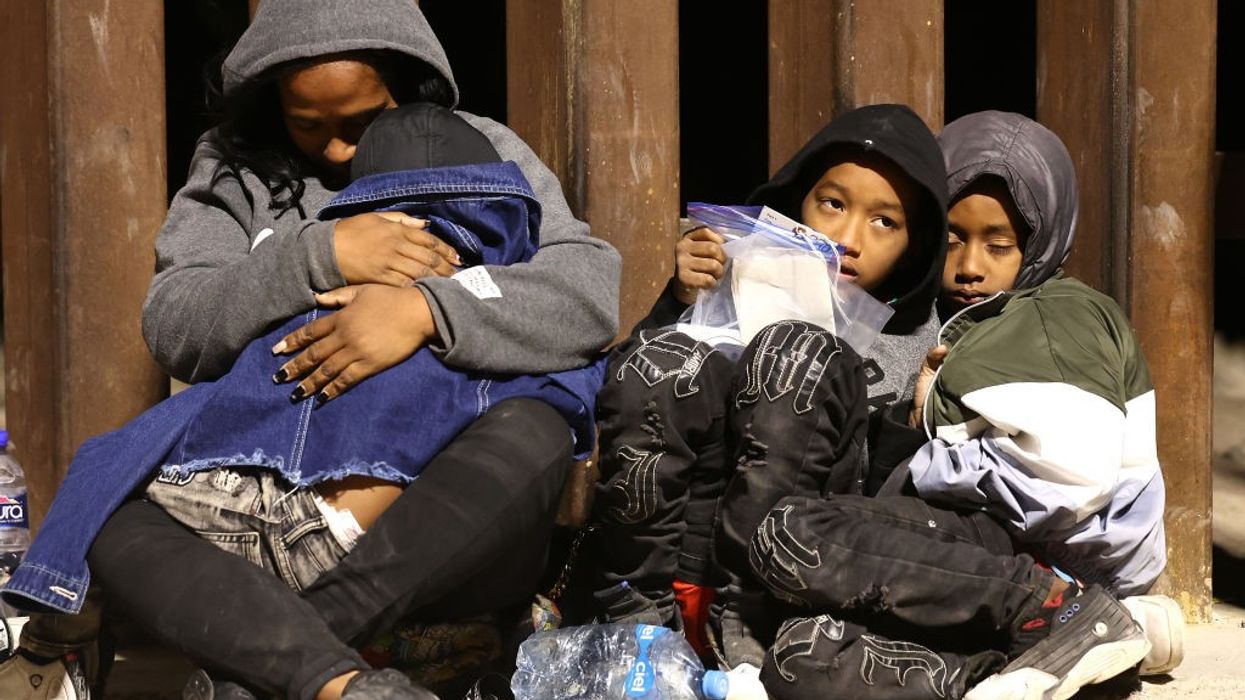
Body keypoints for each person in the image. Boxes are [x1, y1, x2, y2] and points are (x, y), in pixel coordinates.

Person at [0, 2, 619, 699]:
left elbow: (587, 290)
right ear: (272, 108)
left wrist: (425, 310)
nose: (337, 151)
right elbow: (175, 323)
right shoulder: (235, 174)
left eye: (363, 123)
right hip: (260, 506)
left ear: (406, 89)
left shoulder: (477, 148)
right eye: (309, 126)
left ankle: (284, 667)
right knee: (106, 509)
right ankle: (343, 685)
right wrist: (317, 255)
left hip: (433, 521)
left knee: (536, 426)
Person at [741, 111, 1176, 700]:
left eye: (998, 245)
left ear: (1042, 242)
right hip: (974, 564)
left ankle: (1064, 610)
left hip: (1032, 549)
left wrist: (928, 459)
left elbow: (1072, 480)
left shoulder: (1053, 317)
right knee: (800, 657)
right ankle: (1055, 657)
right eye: (952, 241)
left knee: (794, 530)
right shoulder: (955, 324)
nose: (970, 266)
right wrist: (914, 426)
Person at [590, 104, 950, 664]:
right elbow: (627, 397)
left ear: (916, 245)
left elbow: (889, 503)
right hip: (674, 566)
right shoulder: (734, 282)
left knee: (796, 354)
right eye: (832, 204)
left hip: (790, 578)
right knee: (667, 363)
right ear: (796, 203)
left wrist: (910, 422)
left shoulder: (911, 337)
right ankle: (633, 612)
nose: (849, 237)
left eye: (885, 222)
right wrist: (678, 301)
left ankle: (747, 627)